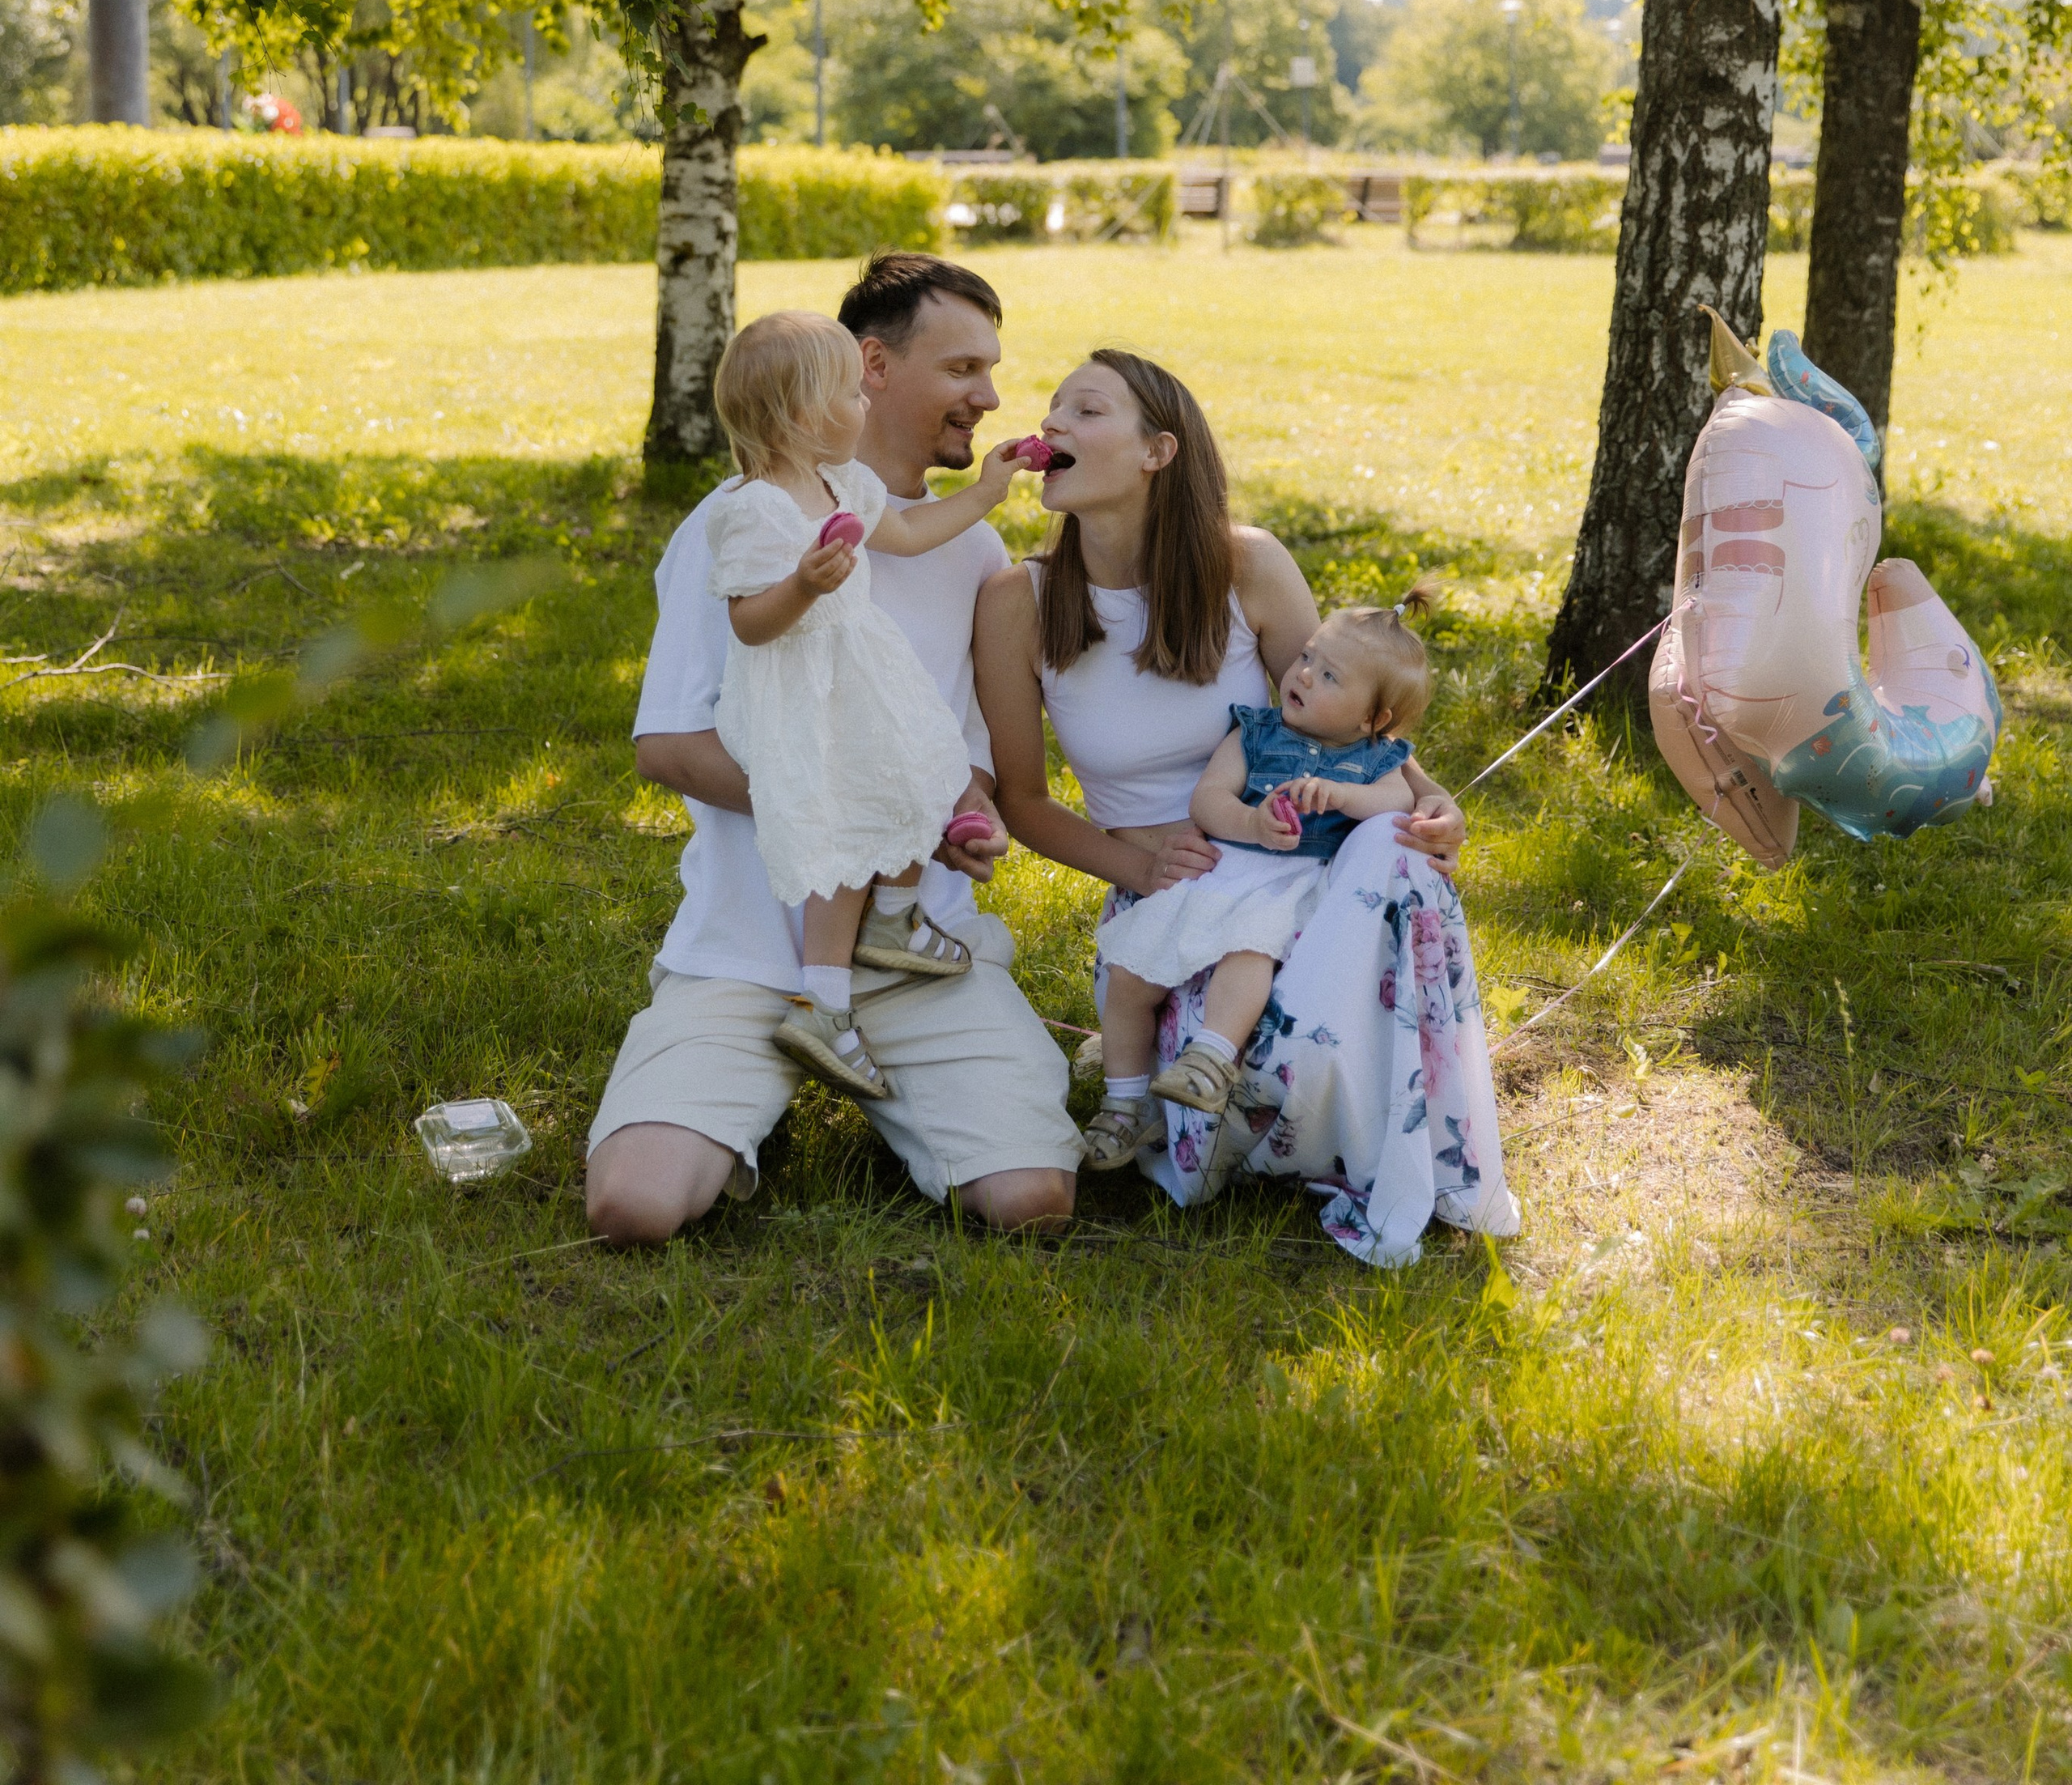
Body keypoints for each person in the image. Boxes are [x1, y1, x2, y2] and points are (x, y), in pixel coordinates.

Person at [977, 348, 1518, 1267]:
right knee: (1248, 1078)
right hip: (1170, 905)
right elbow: (1023, 801)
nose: (1053, 424)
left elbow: (1347, 717)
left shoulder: (1247, 566)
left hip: (1301, 885)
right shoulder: (1018, 602)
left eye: (1085, 410)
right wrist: (1141, 869)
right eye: (1052, 409)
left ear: (1157, 451)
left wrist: (1433, 805)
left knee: (1392, 843)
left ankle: (1422, 1122)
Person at [585, 255, 1081, 1244]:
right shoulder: (736, 529)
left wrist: (959, 821)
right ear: (869, 368)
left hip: (915, 953)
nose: (987, 396)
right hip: (747, 954)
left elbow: (965, 761)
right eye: (962, 369)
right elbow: (670, 750)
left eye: (991, 371)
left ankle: (886, 1060)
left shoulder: (970, 553)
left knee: (1030, 1202)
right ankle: (757, 1084)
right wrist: (865, 805)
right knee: (634, 1208)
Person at [706, 307, 1040, 1099]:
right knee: (849, 821)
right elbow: (750, 625)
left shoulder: (843, 483)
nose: (866, 408)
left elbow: (914, 534)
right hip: (803, 691)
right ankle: (825, 1005)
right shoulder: (755, 509)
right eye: (852, 396)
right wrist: (801, 585)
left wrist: (991, 490)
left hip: (861, 673)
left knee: (924, 772)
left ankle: (891, 922)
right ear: (799, 414)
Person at [1089, 595, 1450, 1147]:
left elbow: (1395, 805)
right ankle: (1123, 1103)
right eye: (1307, 657)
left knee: (1248, 953)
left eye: (1329, 676)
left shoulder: (1380, 758)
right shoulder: (1255, 731)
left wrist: (1343, 794)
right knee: (1130, 972)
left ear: (1373, 719)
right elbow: (1209, 799)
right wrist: (1251, 824)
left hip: (1293, 886)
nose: (1303, 674)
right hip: (1225, 870)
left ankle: (1210, 1059)